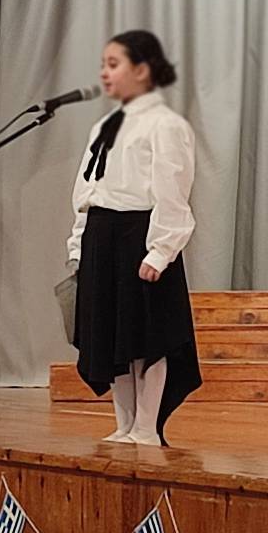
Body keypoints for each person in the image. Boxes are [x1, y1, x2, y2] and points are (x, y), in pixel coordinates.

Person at [68, 30, 202, 447]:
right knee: (112, 336)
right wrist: (79, 242)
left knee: (147, 336)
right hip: (103, 233)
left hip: (139, 234)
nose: (105, 73)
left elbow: (172, 188)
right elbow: (88, 187)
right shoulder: (104, 125)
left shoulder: (166, 125)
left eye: (114, 64)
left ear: (142, 70)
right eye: (103, 65)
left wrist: (161, 250)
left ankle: (146, 426)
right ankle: (124, 424)